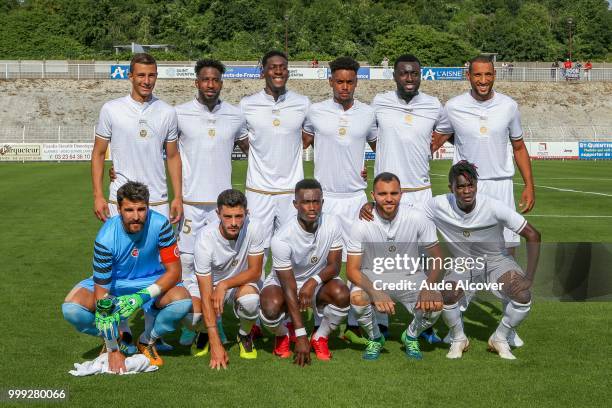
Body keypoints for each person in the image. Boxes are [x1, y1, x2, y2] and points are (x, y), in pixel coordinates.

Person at [61, 182, 191, 371]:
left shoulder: (160, 224)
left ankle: (147, 340)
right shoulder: (105, 238)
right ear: (119, 209)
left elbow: (174, 272)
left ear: (148, 207)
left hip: (151, 280)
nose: (136, 216)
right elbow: (101, 296)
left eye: (141, 209)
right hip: (113, 284)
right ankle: (119, 337)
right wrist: (113, 348)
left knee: (182, 302)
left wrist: (141, 297)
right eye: (129, 210)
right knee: (72, 310)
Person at [423, 161, 541, 359]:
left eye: (471, 185)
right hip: (464, 262)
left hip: (496, 261)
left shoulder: (493, 206)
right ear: (450, 187)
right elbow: (405, 212)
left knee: (522, 294)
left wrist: (529, 277)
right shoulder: (437, 204)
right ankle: (459, 338)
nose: (466, 191)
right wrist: (373, 205)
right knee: (447, 294)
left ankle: (500, 338)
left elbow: (533, 235)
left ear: (477, 185)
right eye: (460, 186)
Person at [302, 56, 378, 344]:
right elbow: (301, 142)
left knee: (359, 262)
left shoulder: (368, 113)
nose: (345, 87)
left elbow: (379, 146)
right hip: (326, 199)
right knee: (326, 262)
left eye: (350, 82)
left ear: (356, 82)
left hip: (357, 198)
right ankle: (321, 325)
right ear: (330, 81)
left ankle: (357, 322)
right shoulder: (315, 111)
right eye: (340, 81)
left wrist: (371, 183)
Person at [174, 59, 249, 346]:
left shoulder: (235, 114)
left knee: (221, 265)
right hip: (191, 204)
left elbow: (252, 149)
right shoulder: (179, 113)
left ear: (221, 83)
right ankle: (195, 324)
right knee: (190, 265)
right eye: (205, 79)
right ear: (197, 82)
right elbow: (162, 152)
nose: (210, 84)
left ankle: (215, 323)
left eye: (215, 80)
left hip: (224, 207)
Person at [347, 172, 444, 361]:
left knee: (437, 303)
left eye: (394, 193)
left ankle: (411, 335)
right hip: (372, 276)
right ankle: (375, 338)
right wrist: (375, 292)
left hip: (410, 277)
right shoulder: (361, 224)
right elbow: (351, 270)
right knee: (358, 299)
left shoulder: (417, 217)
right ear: (373, 195)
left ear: (402, 194)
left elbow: (438, 258)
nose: (389, 199)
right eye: (382, 194)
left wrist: (429, 286)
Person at [259, 179, 350, 365]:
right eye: (306, 202)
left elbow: (334, 266)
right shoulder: (281, 238)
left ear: (322, 203)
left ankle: (320, 337)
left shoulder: (332, 223)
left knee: (342, 294)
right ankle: (284, 333)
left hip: (317, 282)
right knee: (270, 307)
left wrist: (312, 282)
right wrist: (301, 335)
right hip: (283, 283)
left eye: (316, 201)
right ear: (295, 204)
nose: (311, 207)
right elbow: (288, 286)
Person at [91, 53, 182, 224]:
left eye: (151, 75)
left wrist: (177, 196)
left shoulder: (168, 112)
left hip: (157, 199)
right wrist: (98, 196)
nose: (147, 81)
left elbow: (173, 156)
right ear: (130, 76)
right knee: (120, 250)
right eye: (141, 75)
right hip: (121, 199)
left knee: (157, 251)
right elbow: (99, 153)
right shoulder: (111, 109)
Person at [239, 50, 310, 249]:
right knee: (256, 249)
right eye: (273, 67)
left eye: (283, 67)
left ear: (288, 72)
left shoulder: (303, 103)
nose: (278, 71)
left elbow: (307, 138)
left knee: (291, 248)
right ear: (263, 72)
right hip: (258, 191)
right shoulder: (247, 104)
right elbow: (243, 142)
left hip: (291, 191)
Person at [191, 189, 266, 368]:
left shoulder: (255, 227)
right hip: (209, 285)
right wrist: (216, 343)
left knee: (250, 301)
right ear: (218, 214)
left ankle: (244, 334)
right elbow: (205, 289)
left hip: (237, 282)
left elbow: (255, 272)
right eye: (227, 216)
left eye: (239, 216)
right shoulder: (205, 239)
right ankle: (205, 334)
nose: (233, 223)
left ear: (247, 213)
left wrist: (224, 285)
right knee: (192, 316)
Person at [373, 54, 451, 208]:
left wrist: (432, 147)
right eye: (403, 74)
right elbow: (368, 133)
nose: (409, 78)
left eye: (414, 74)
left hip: (420, 191)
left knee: (425, 232)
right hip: (387, 191)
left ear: (420, 76)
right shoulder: (379, 101)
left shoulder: (433, 104)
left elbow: (447, 128)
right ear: (394, 76)